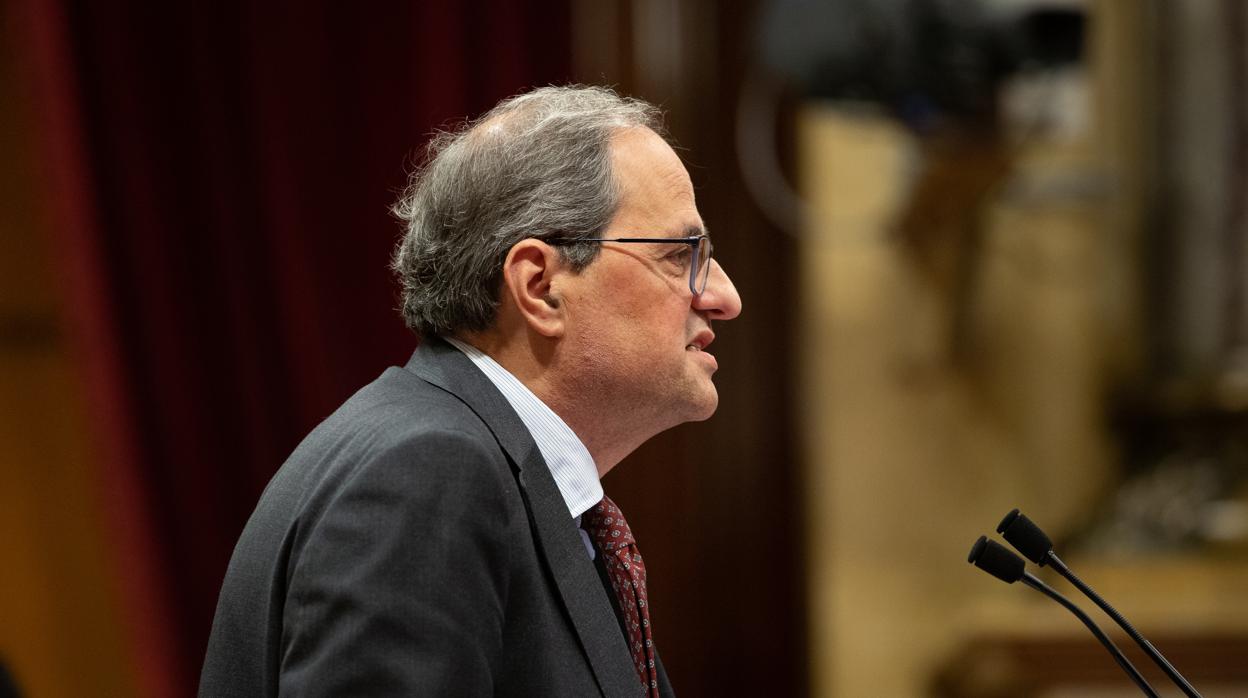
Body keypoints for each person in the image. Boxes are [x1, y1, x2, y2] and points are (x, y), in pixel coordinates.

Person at [199, 85, 741, 697]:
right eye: (680, 256)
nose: (724, 298)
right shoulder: (425, 473)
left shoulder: (488, 471)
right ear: (539, 286)